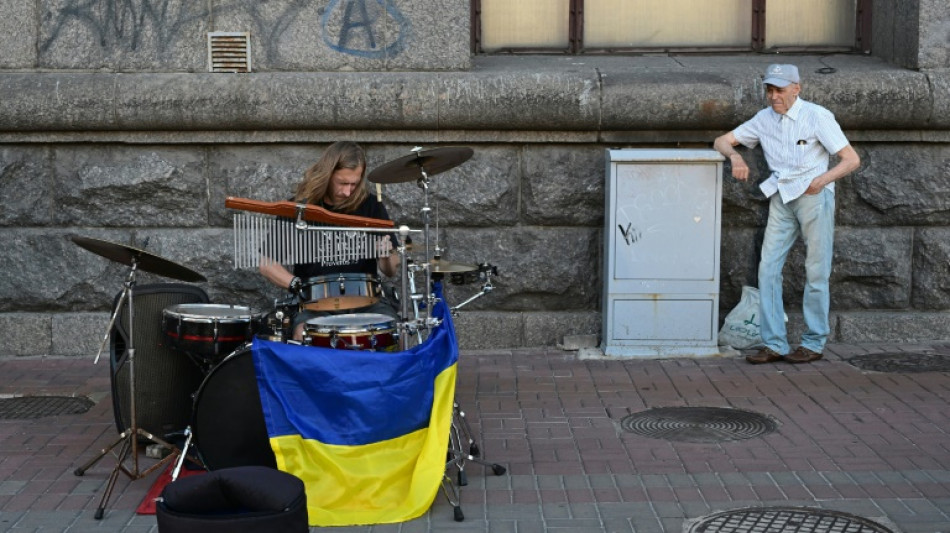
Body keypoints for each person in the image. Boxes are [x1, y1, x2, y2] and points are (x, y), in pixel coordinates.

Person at [713, 64, 860, 365]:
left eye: (780, 89)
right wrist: (735, 155)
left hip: (814, 198)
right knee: (768, 269)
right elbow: (722, 140)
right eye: (769, 89)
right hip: (781, 196)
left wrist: (821, 181)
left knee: (816, 271)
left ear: (797, 88)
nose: (773, 96)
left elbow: (851, 159)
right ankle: (774, 343)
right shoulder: (763, 119)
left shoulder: (817, 115)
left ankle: (814, 342)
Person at [259, 141, 400, 341]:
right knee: (303, 333)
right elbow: (267, 265)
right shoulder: (299, 208)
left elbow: (390, 270)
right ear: (327, 176)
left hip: (367, 301)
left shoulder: (371, 206)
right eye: (342, 183)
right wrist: (298, 286)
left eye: (354, 184)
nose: (347, 192)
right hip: (315, 303)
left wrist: (386, 254)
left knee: (395, 331)